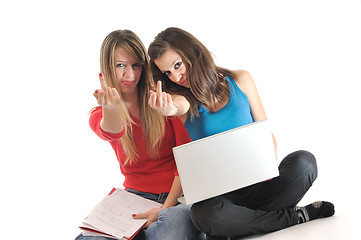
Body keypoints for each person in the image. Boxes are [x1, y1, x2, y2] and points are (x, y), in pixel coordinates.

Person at [147, 27, 335, 239]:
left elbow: (266, 132)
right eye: (167, 73)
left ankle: (239, 223)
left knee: (305, 162)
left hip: (261, 185)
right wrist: (167, 109)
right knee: (202, 215)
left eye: (177, 65)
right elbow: (176, 106)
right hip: (224, 199)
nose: (176, 76)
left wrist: (265, 169)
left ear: (192, 52)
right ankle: (294, 217)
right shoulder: (184, 100)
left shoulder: (241, 79)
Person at [75, 29, 202, 240]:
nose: (130, 74)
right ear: (107, 67)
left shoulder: (161, 102)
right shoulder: (101, 113)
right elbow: (113, 131)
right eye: (120, 65)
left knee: (168, 230)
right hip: (134, 198)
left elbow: (185, 160)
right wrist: (112, 108)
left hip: (177, 197)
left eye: (136, 65)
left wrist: (164, 208)